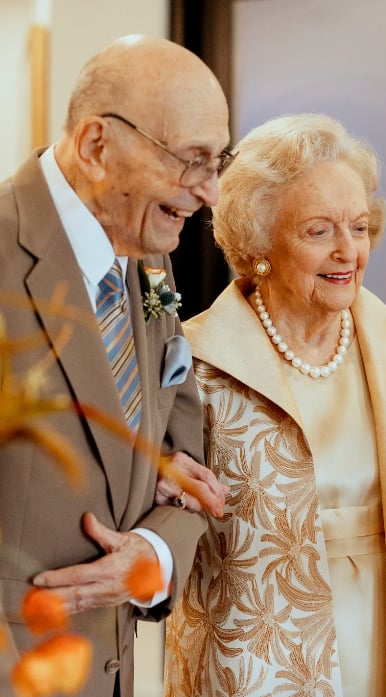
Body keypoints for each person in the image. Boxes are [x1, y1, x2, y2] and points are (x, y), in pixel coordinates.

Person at [163, 114, 386, 696]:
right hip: (260, 664)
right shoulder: (195, 363)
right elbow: (162, 515)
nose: (348, 250)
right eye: (319, 230)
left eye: (359, 226)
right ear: (258, 244)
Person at [0, 34, 229, 697]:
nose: (209, 191)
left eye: (217, 162)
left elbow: (187, 455)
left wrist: (154, 556)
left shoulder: (148, 257)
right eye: (190, 160)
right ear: (98, 146)